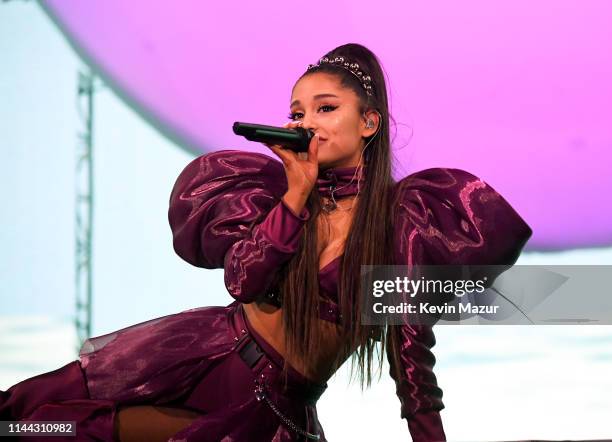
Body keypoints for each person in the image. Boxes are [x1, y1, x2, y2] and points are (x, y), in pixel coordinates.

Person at [0, 43, 532, 442]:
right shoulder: (280, 197)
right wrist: (297, 194)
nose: (306, 123)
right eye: (298, 112)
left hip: (270, 403)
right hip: (197, 351)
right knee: (29, 419)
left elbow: (410, 355)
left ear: (369, 122)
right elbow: (243, 281)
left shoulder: (404, 220)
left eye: (326, 109)